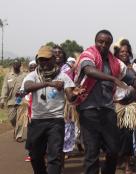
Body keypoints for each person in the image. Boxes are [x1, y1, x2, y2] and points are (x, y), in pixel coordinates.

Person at [74, 30, 136, 174]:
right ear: (95, 41)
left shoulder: (115, 62)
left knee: (113, 150)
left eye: (107, 42)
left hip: (108, 110)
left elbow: (131, 78)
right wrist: (112, 78)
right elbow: (89, 71)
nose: (103, 45)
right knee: (92, 153)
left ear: (111, 44)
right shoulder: (88, 55)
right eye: (100, 41)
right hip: (89, 110)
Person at [24, 45, 84, 174]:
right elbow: (27, 87)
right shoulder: (33, 75)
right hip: (37, 120)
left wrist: (76, 94)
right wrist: (49, 83)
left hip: (55, 121)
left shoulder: (63, 76)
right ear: (37, 60)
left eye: (47, 59)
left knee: (54, 157)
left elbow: (70, 96)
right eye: (41, 60)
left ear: (53, 59)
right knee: (35, 156)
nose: (44, 63)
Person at [113, 39, 136, 174]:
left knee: (128, 134)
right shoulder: (113, 66)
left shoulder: (134, 67)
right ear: (117, 53)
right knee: (116, 136)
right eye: (121, 51)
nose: (124, 53)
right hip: (116, 105)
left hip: (131, 105)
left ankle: (127, 164)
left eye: (126, 51)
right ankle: (118, 160)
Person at [0, 59, 27, 142]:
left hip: (22, 100)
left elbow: (27, 87)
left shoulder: (24, 76)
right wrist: (2, 99)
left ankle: (18, 136)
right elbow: (5, 88)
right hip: (11, 101)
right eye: (14, 64)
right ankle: (16, 129)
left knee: (20, 119)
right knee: (12, 119)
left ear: (20, 66)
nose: (16, 66)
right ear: (12, 65)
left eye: (17, 64)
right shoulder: (8, 76)